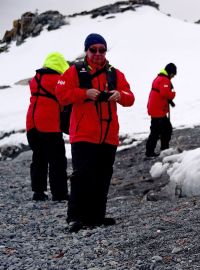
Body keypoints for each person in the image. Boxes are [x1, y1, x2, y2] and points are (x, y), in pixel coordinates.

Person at [56, 33, 135, 233]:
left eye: (102, 49)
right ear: (87, 51)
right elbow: (61, 94)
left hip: (108, 135)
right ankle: (74, 217)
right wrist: (84, 94)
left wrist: (120, 95)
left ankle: (96, 217)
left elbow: (130, 97)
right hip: (83, 134)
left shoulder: (114, 73)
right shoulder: (75, 71)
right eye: (93, 50)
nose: (98, 53)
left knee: (103, 176)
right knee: (82, 176)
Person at [26, 52, 70, 202]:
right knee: (57, 160)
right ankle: (60, 194)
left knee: (38, 158)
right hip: (49, 126)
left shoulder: (35, 80)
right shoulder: (59, 81)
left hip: (31, 124)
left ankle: (38, 192)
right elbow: (65, 99)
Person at [145, 63, 177, 157]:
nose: (173, 76)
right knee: (159, 131)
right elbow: (165, 93)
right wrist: (173, 94)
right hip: (158, 110)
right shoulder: (164, 79)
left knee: (164, 129)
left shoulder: (160, 78)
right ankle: (152, 151)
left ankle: (162, 149)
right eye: (173, 74)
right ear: (170, 72)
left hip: (156, 109)